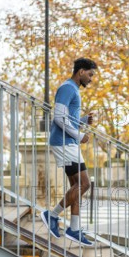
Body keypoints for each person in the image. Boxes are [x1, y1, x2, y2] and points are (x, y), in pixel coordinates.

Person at [40, 58, 97, 246]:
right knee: (84, 184)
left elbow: (67, 118)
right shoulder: (67, 88)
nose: (91, 79)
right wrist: (80, 135)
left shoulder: (72, 89)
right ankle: (52, 214)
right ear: (80, 72)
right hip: (65, 143)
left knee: (77, 186)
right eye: (90, 75)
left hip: (68, 142)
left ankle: (74, 228)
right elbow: (58, 118)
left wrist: (82, 120)